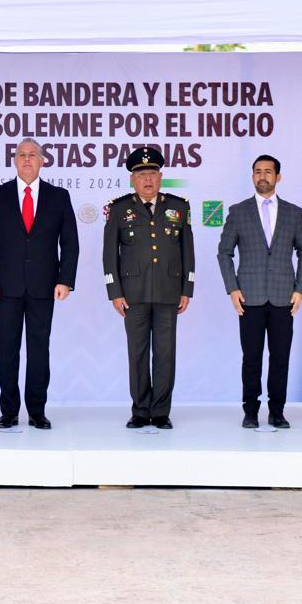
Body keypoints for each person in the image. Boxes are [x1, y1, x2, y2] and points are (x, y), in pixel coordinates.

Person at [0, 138, 79, 429]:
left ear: (43, 160)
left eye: (33, 155)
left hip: (45, 286)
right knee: (7, 349)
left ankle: (36, 411)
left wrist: (65, 280)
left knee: (38, 350)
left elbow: (70, 242)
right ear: (15, 160)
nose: (27, 159)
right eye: (22, 155)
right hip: (5, 288)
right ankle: (8, 411)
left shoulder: (59, 196)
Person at [216, 154, 302, 429]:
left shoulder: (293, 212)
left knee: (280, 356)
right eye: (258, 171)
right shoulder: (238, 211)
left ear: (278, 177)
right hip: (249, 296)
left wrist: (300, 289)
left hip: (284, 296)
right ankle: (250, 410)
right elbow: (224, 252)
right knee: (252, 357)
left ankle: (277, 411)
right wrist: (232, 288)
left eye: (268, 172)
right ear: (252, 176)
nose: (263, 176)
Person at [102, 147, 195, 430]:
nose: (147, 180)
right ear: (133, 179)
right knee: (138, 353)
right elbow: (109, 254)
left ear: (161, 176)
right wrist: (114, 292)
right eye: (141, 174)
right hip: (133, 295)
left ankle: (161, 411)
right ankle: (141, 410)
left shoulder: (179, 207)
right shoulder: (119, 209)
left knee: (166, 354)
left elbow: (187, 250)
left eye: (152, 174)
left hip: (169, 291)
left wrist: (187, 288)